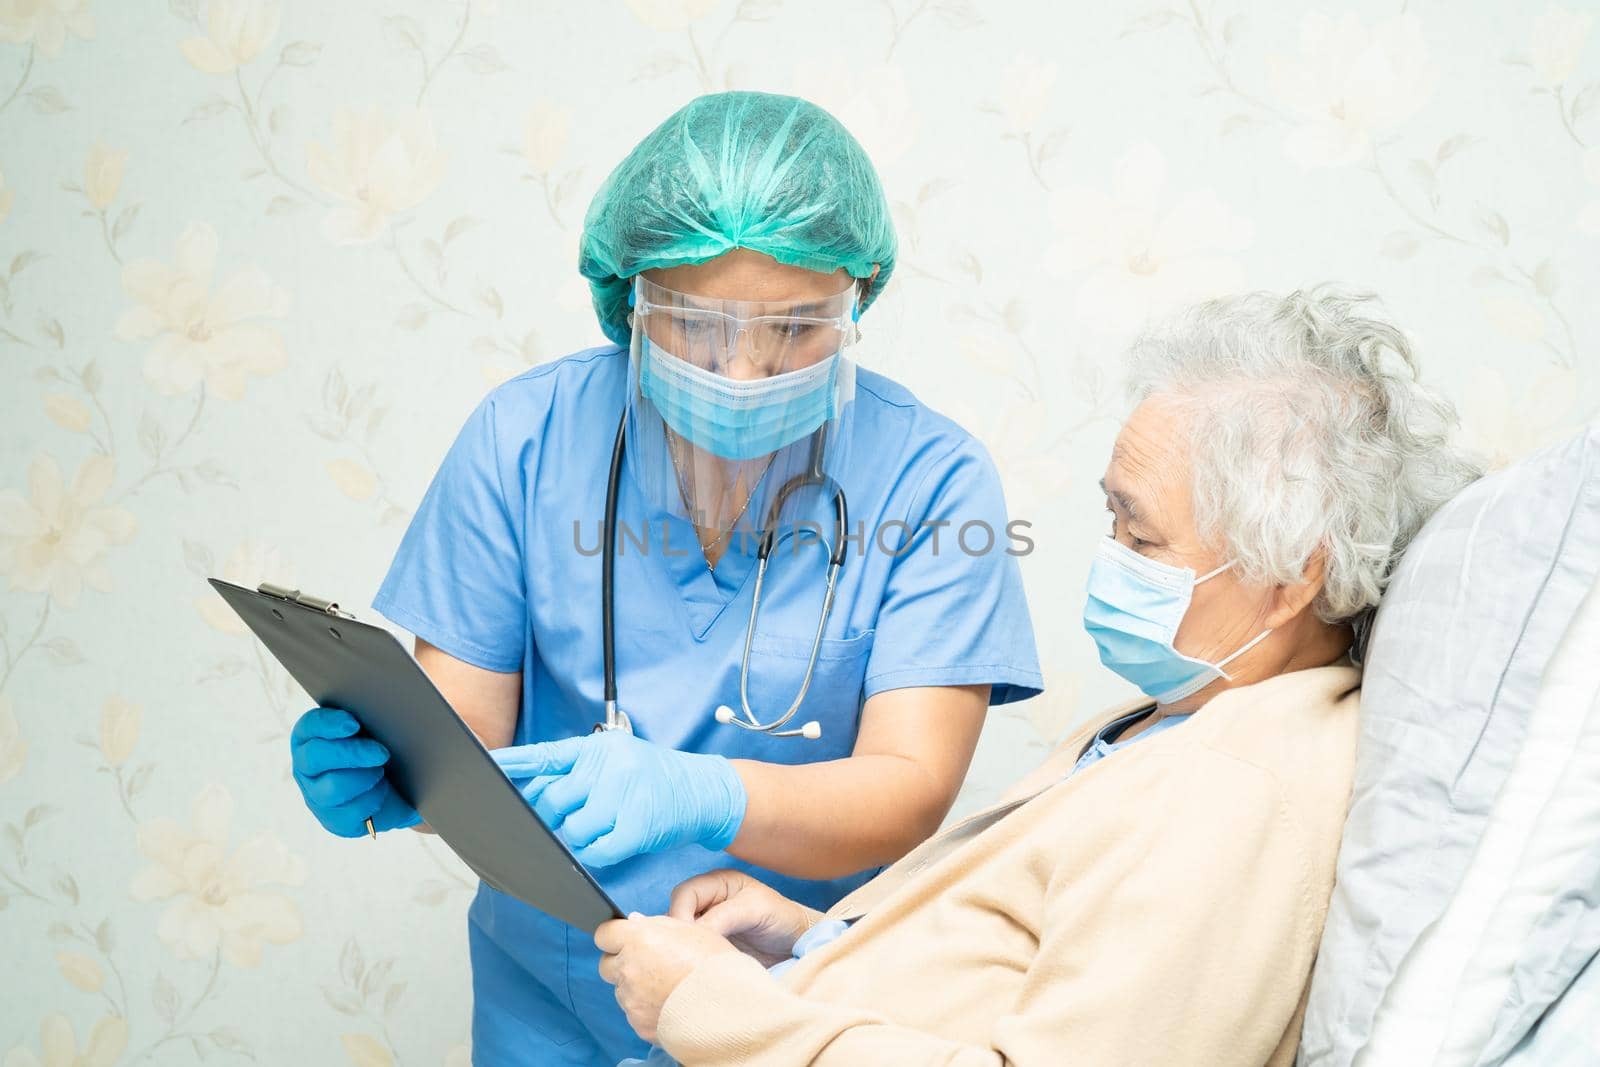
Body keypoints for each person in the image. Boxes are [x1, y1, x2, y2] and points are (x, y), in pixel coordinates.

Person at [284, 90, 1042, 1065]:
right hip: (552, 992)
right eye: (695, 324)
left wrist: (702, 792)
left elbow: (909, 789)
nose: (744, 368)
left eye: (797, 328)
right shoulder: (526, 439)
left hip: (797, 1000)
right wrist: (404, 766)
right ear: (629, 298)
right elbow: (466, 725)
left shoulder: (933, 477)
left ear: (860, 293)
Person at [592, 287, 1484, 1066]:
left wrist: (712, 1005)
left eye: (1143, 538)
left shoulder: (1234, 791)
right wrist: (814, 941)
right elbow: (1022, 958)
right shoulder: (1185, 718)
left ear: (1292, 577)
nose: (1110, 560)